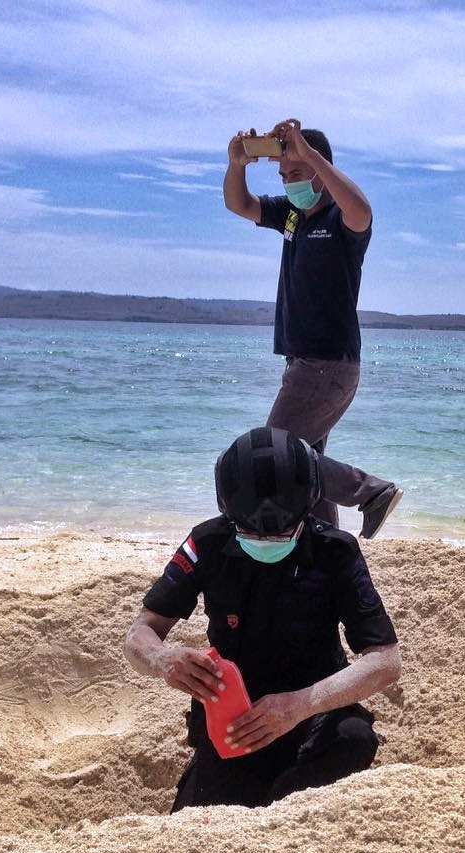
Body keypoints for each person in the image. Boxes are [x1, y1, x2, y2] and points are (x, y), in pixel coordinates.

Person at [124, 426, 402, 809]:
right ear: (228, 509)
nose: (266, 539)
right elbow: (142, 632)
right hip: (235, 717)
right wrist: (161, 659)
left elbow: (385, 661)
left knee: (355, 738)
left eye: (282, 529)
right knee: (204, 814)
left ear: (307, 505)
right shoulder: (205, 543)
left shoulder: (335, 551)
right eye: (250, 529)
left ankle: (284, 803)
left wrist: (299, 705)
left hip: (314, 711)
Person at [224, 117, 400, 539]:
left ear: (320, 170)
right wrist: (237, 164)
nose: (289, 183)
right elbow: (239, 204)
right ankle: (327, 548)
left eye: (298, 173)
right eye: (284, 175)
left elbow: (363, 210)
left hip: (327, 365)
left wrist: (310, 155)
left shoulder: (342, 220)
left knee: (274, 455)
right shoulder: (290, 216)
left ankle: (370, 492)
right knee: (306, 467)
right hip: (303, 363)